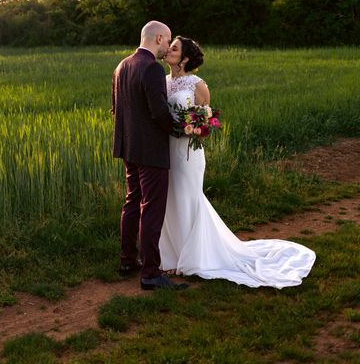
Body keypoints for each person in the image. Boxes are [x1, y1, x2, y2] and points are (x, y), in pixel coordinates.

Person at [159, 36, 316, 288]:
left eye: (174, 48)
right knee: (169, 198)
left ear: (185, 58)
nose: (168, 50)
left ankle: (195, 257)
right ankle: (171, 254)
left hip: (188, 152)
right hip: (165, 149)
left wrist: (195, 128)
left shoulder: (197, 84)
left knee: (188, 197)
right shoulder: (163, 81)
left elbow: (205, 118)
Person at [112, 21, 188, 291]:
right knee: (152, 208)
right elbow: (158, 112)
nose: (167, 48)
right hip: (151, 150)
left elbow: (116, 108)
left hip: (128, 147)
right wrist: (180, 130)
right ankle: (151, 273)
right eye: (167, 42)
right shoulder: (152, 68)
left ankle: (126, 260)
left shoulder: (121, 66)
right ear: (158, 38)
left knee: (132, 202)